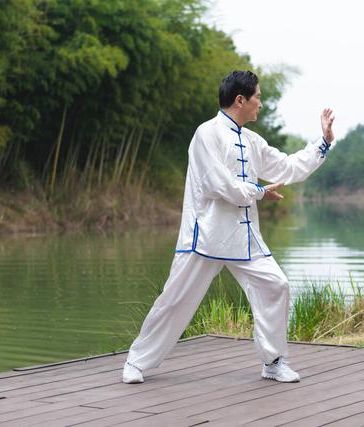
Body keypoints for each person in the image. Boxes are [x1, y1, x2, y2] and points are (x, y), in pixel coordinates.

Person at [123, 70, 335, 384]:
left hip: (244, 238)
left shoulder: (252, 141)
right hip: (205, 237)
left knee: (275, 285)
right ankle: (137, 362)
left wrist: (323, 143)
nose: (260, 104)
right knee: (175, 300)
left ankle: (274, 361)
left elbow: (287, 167)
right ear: (240, 100)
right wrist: (259, 192)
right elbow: (219, 185)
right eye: (258, 97)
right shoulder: (206, 134)